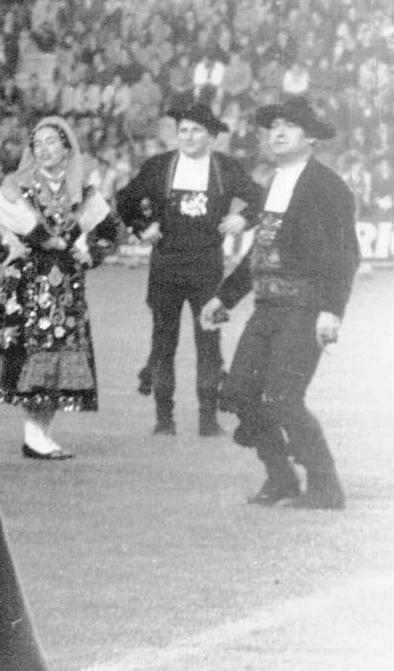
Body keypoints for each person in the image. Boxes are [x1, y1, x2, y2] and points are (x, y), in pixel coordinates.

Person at [200, 96, 360, 510]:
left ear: (309, 136)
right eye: (273, 127)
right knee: (240, 393)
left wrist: (332, 310)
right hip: (267, 309)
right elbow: (260, 249)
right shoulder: (272, 183)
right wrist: (223, 297)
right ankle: (281, 478)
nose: (279, 133)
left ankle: (326, 487)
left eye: (289, 126)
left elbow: (346, 254)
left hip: (305, 309)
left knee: (284, 398)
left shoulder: (328, 186)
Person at [0, 115, 116, 460]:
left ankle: (41, 434)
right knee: (35, 354)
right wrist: (6, 250)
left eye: (51, 142)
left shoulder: (82, 191)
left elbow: (110, 230)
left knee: (58, 357)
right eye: (37, 144)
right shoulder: (19, 187)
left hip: (66, 286)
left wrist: (88, 253)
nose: (44, 149)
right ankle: (34, 436)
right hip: (28, 286)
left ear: (66, 147)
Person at [115, 103, 264, 436]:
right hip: (166, 265)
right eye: (183, 130)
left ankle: (208, 420)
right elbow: (124, 199)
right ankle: (164, 420)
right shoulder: (158, 166)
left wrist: (244, 218)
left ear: (211, 136)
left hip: (207, 266)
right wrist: (142, 227)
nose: (189, 136)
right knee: (163, 341)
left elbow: (262, 199)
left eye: (196, 131)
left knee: (209, 342)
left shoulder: (226, 167)